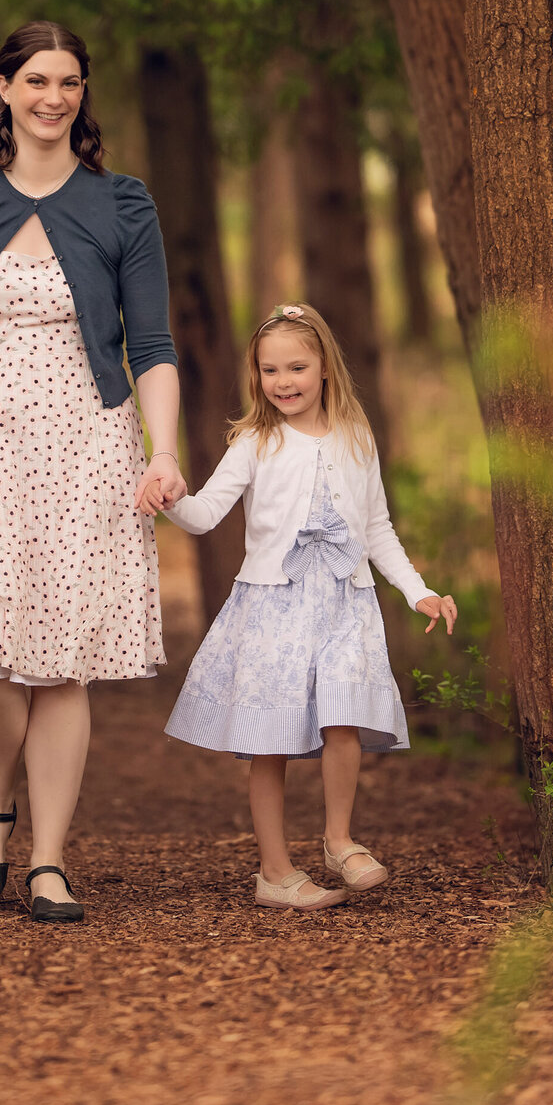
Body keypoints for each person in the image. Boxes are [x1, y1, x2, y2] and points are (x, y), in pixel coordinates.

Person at [0, 20, 186, 923]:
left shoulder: (123, 204)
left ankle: (49, 858)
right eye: (36, 80)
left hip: (90, 443)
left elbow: (151, 344)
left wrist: (164, 450)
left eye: (68, 82)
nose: (53, 97)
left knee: (63, 663)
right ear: (3, 88)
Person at [163, 303, 457, 910]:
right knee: (269, 739)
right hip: (273, 605)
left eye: (297, 367)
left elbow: (376, 528)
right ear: (257, 377)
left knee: (342, 714)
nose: (284, 382)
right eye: (270, 371)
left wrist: (417, 587)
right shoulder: (254, 441)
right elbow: (204, 515)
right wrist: (167, 498)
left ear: (325, 367)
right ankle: (274, 871)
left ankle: (339, 839)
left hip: (347, 602)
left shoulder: (356, 435)